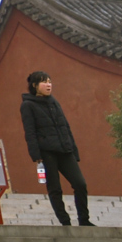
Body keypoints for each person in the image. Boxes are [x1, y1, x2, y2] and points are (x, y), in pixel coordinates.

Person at [20, 71, 93, 226]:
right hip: (47, 152)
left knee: (80, 184)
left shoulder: (54, 102)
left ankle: (84, 220)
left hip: (65, 150)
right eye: (44, 82)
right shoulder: (28, 105)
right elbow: (30, 131)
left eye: (49, 81)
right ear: (34, 85)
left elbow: (65, 126)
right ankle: (65, 221)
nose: (48, 85)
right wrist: (35, 154)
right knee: (55, 189)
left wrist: (74, 150)